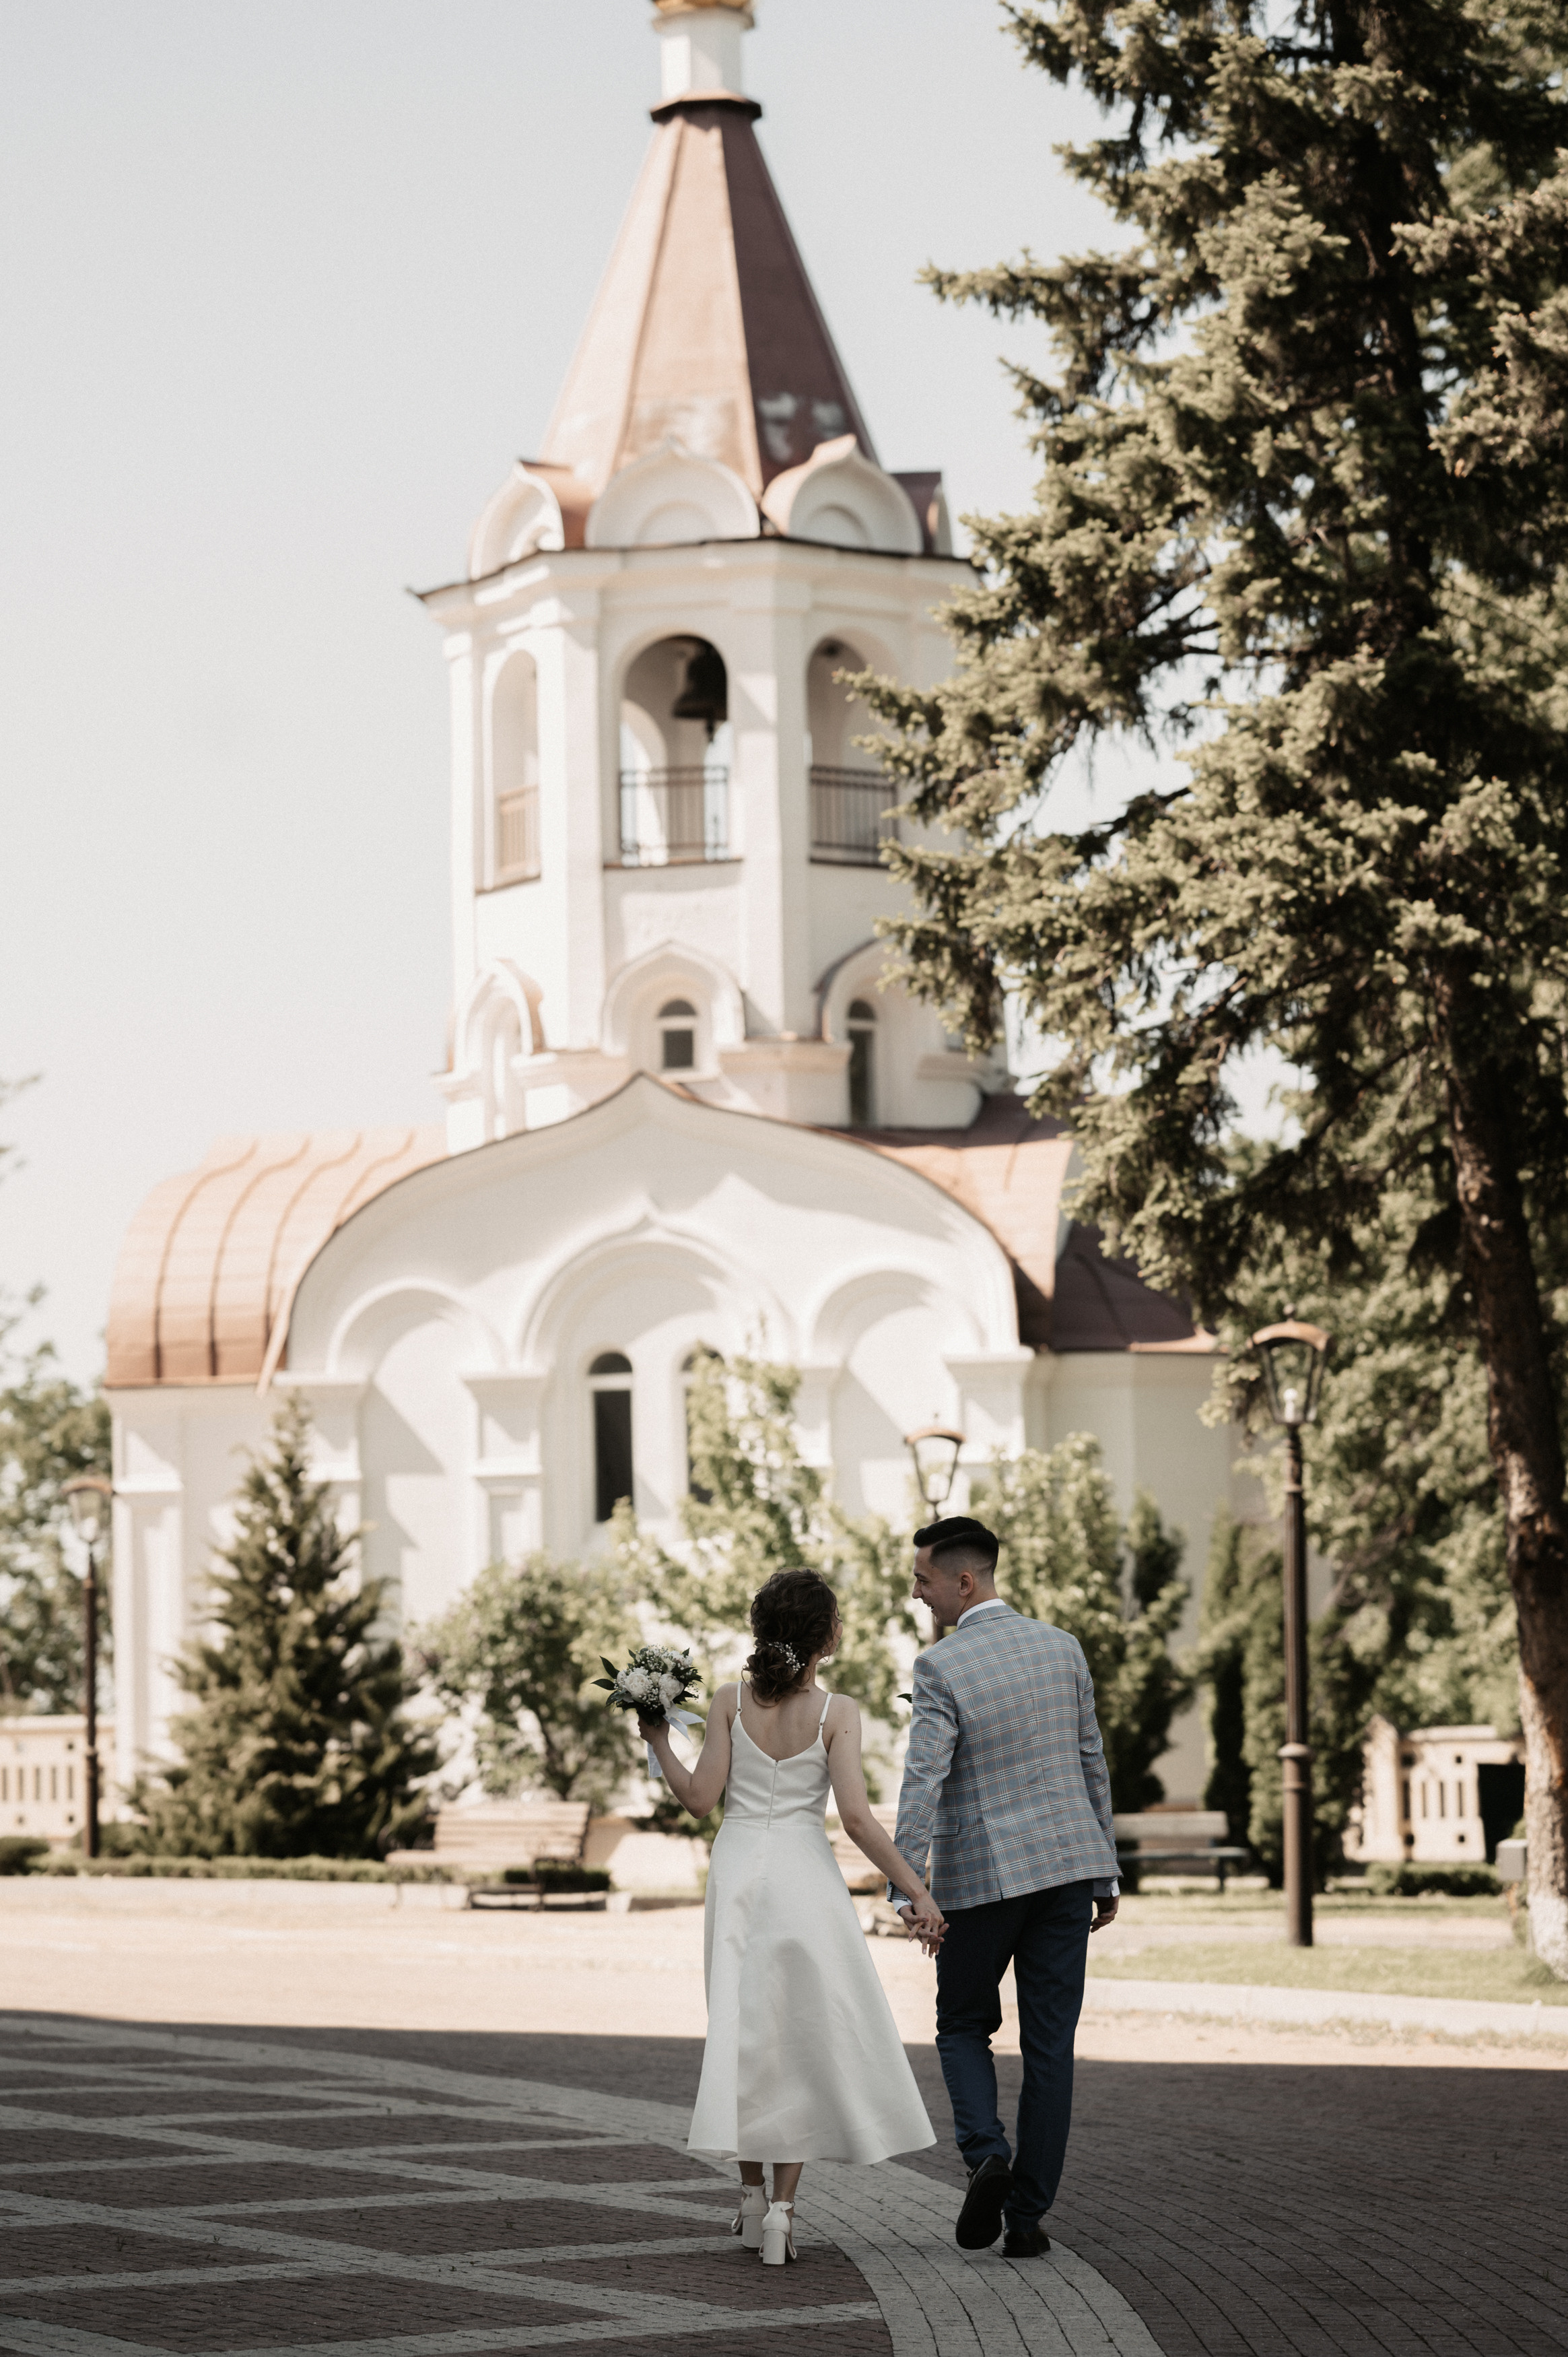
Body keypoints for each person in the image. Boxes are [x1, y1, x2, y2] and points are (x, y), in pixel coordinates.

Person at [639, 1566, 943, 2267]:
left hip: (740, 1869)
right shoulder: (838, 1712)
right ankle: (781, 2211)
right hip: (805, 1877)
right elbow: (860, 1820)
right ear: (825, 1636)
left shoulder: (725, 1701)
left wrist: (659, 1738)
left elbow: (697, 1797)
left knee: (743, 2031)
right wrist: (915, 1891)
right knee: (799, 2039)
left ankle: (747, 2202)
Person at [890, 1514, 1120, 2259]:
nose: (916, 1592)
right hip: (1065, 1870)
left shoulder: (940, 1667)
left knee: (962, 2023)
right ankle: (1025, 2218)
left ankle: (986, 2151)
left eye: (924, 1579)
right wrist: (1105, 1866)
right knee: (1051, 2046)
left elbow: (923, 1778)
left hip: (982, 1877)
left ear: (965, 1579)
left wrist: (906, 1884)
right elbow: (1091, 1759)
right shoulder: (1062, 1647)